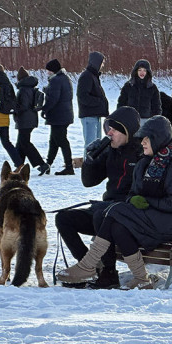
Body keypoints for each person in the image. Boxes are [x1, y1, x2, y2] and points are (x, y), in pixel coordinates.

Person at [57, 115, 172, 289]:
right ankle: (141, 278)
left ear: (156, 138)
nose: (142, 143)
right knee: (117, 224)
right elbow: (133, 194)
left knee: (114, 211)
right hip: (153, 218)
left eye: (146, 139)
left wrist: (145, 201)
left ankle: (88, 265)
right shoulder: (145, 162)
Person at [55, 106, 143, 289]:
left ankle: (109, 273)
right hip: (106, 210)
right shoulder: (110, 150)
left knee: (101, 214)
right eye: (107, 129)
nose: (109, 133)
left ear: (127, 131)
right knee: (63, 218)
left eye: (114, 129)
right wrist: (90, 159)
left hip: (128, 215)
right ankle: (91, 266)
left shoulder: (142, 153)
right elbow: (89, 181)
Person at [13, 68, 50, 176]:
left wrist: (14, 109)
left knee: (25, 143)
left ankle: (41, 164)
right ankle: (19, 166)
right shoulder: (30, 87)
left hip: (25, 119)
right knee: (20, 143)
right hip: (30, 119)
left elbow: (23, 105)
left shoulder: (23, 89)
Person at [43, 58, 75, 175]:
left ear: (53, 70)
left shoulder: (56, 80)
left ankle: (69, 166)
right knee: (54, 140)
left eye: (48, 70)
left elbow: (54, 99)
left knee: (61, 140)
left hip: (59, 115)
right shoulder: (65, 78)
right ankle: (47, 165)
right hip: (64, 114)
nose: (47, 73)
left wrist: (44, 109)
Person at [77, 51, 109, 150]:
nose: (102, 65)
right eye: (102, 63)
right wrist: (99, 102)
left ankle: (95, 164)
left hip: (95, 114)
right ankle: (88, 164)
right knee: (90, 144)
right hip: (89, 115)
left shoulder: (94, 76)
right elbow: (82, 96)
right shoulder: (86, 76)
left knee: (97, 145)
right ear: (96, 62)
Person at [118, 59, 162, 123]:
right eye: (140, 70)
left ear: (147, 72)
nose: (142, 72)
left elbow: (157, 106)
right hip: (130, 120)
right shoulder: (128, 86)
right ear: (136, 71)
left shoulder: (152, 88)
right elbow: (121, 103)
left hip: (146, 121)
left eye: (144, 70)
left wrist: (156, 121)